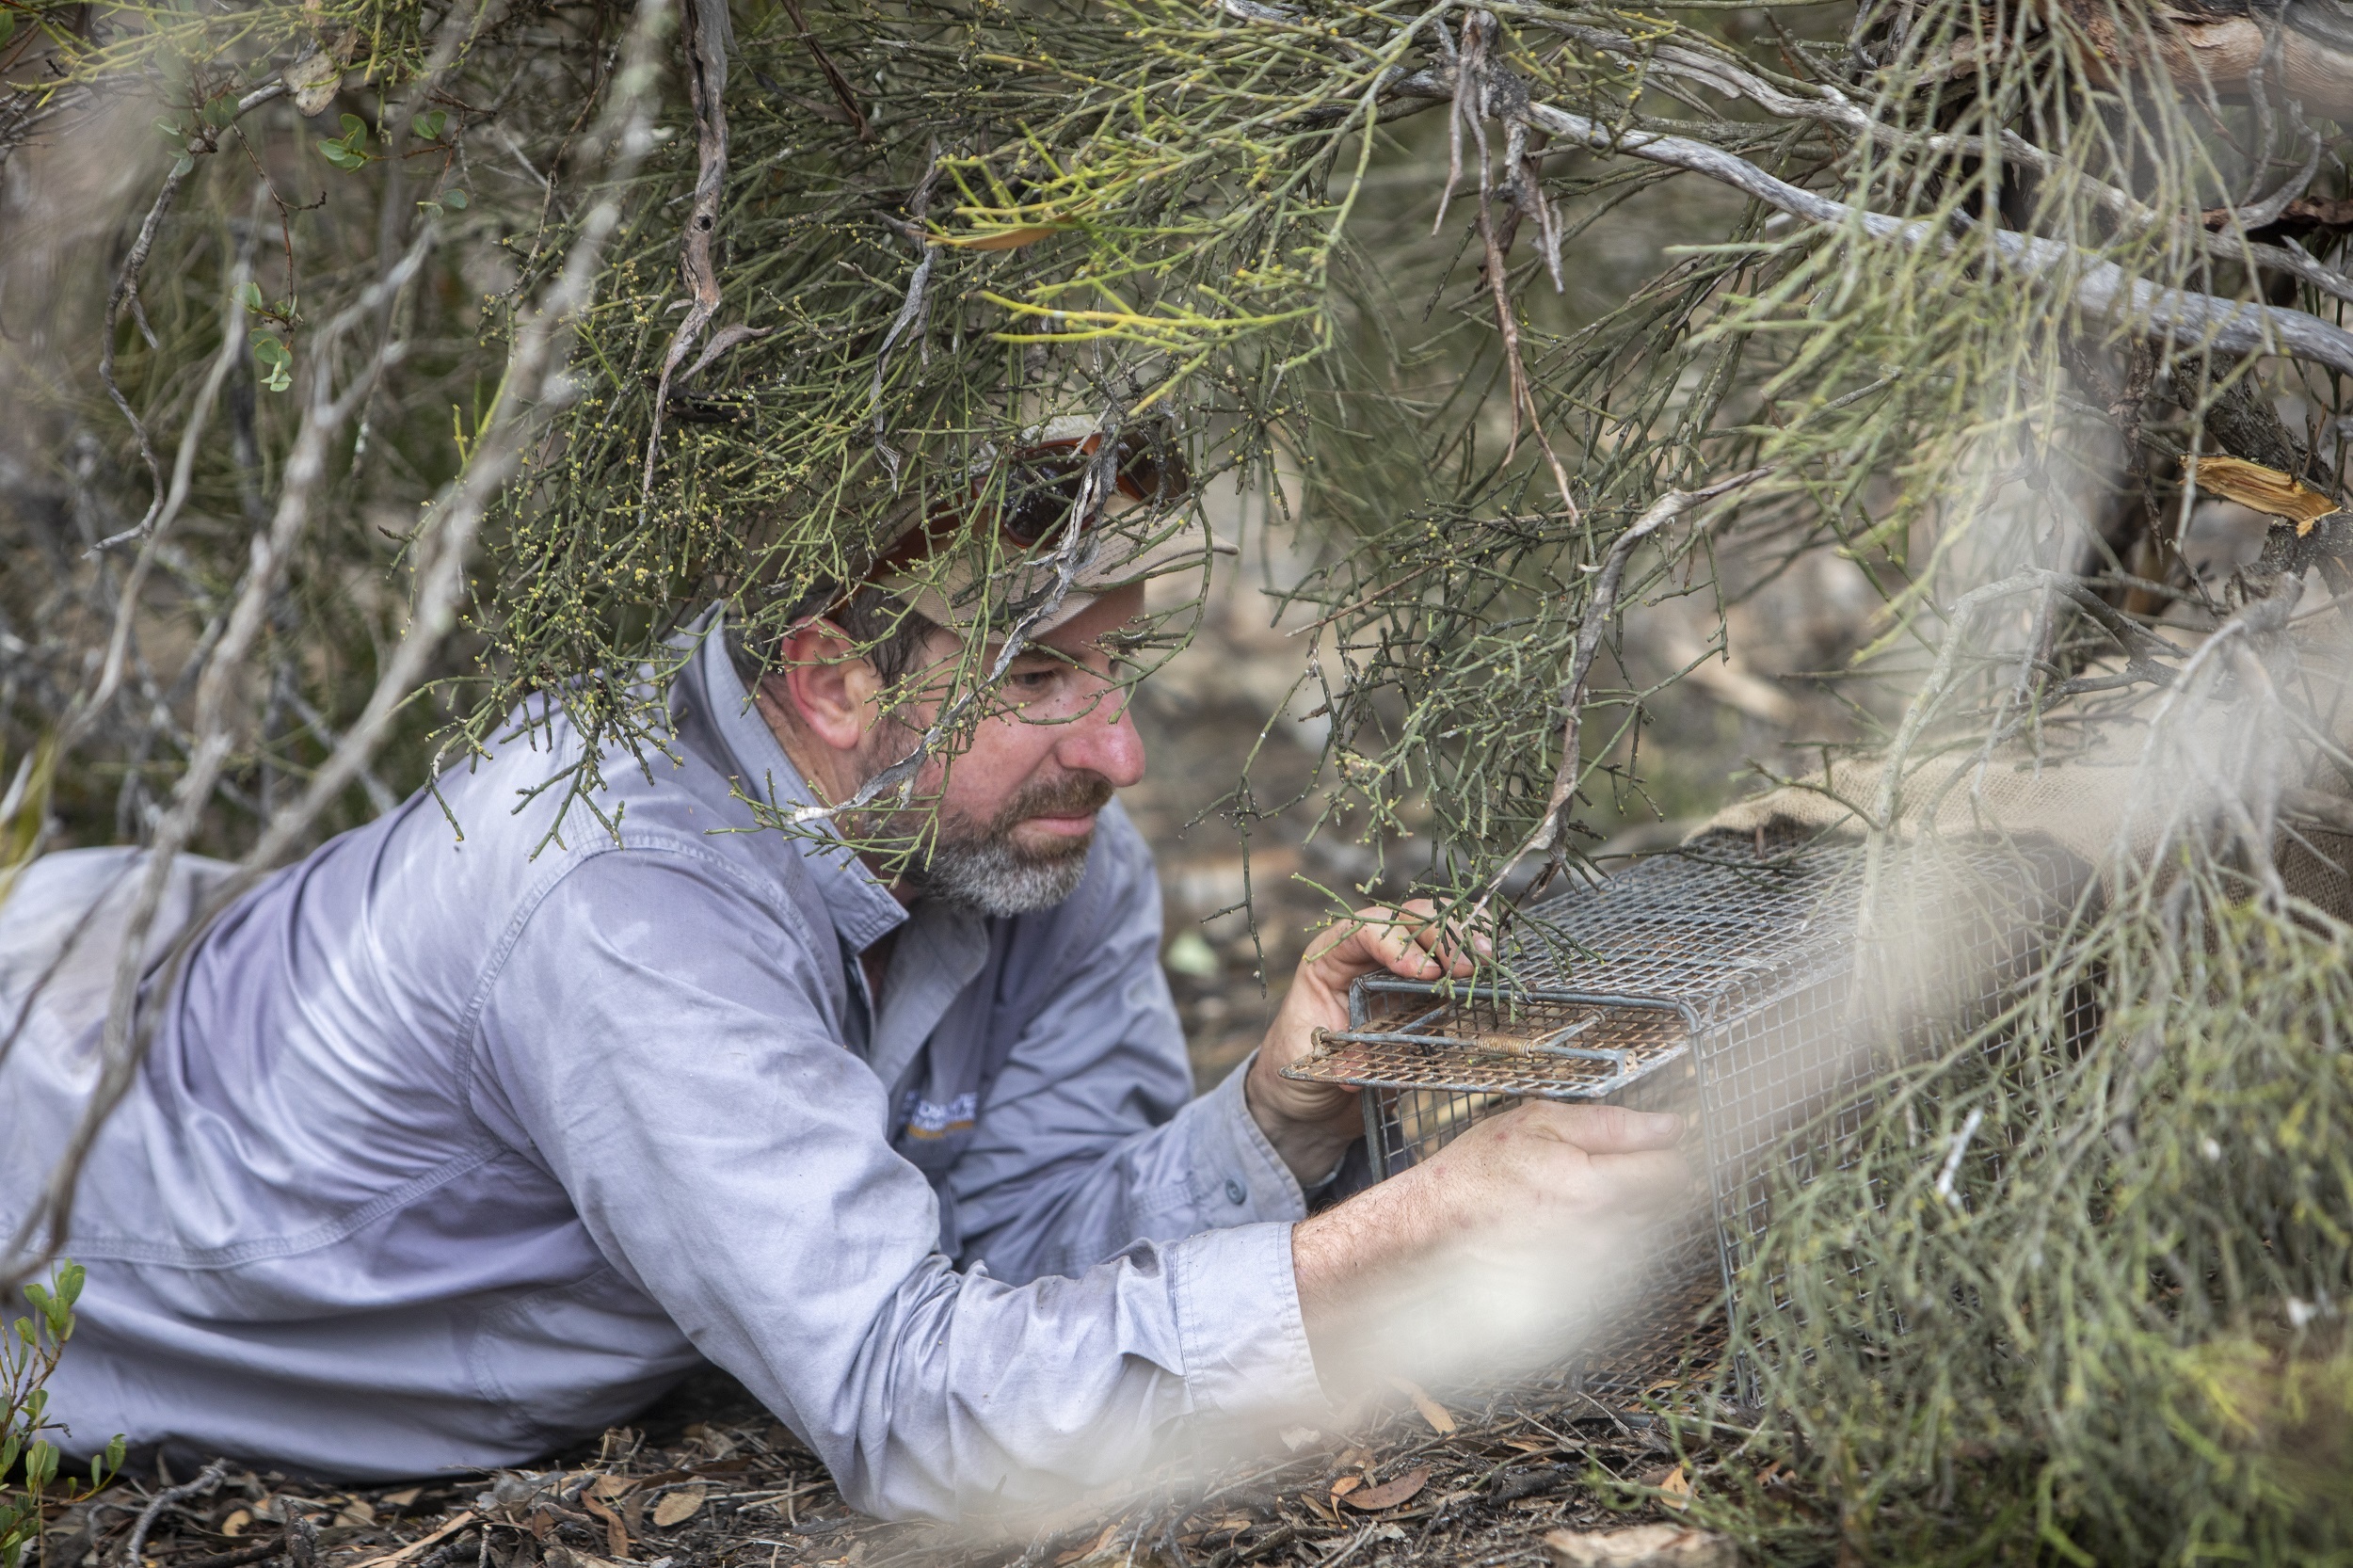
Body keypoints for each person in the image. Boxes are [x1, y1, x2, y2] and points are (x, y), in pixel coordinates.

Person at [0, 425, 1687, 1521]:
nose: (1115, 747)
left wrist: (1278, 1123)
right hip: (56, 1137)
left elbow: (993, 1259)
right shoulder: (626, 910)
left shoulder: (1027, 847)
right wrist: (1406, 1232)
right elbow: (913, 1411)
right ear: (829, 679)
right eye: (1040, 672)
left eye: (1118, 664)